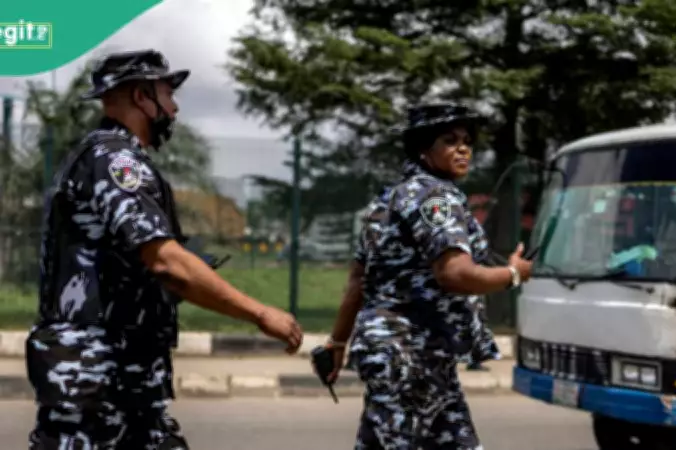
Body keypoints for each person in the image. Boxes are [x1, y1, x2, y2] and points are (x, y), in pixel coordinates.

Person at [26, 49, 303, 450]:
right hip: (97, 374)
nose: (173, 109)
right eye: (168, 95)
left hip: (117, 375)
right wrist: (260, 313)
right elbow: (166, 261)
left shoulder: (102, 156)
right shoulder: (115, 161)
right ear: (143, 97)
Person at [324, 103, 534, 449]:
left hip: (417, 356)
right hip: (409, 356)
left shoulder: (388, 201)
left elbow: (358, 282)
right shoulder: (435, 197)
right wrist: (513, 274)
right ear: (424, 148)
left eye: (467, 140)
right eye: (450, 141)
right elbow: (454, 273)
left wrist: (337, 343)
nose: (463, 148)